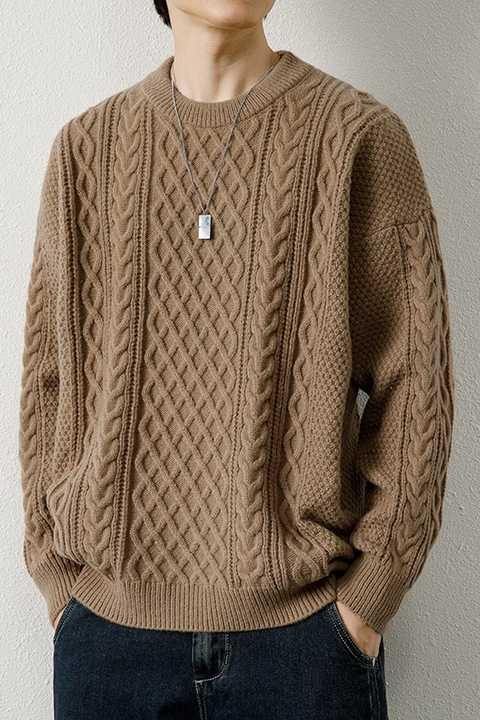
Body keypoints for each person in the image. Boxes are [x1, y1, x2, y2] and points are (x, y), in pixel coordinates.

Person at [18, 1, 455, 718]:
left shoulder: (357, 138)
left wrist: (369, 599)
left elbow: (415, 380)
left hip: (307, 645)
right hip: (109, 644)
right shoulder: (85, 151)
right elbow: (47, 381)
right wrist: (55, 578)